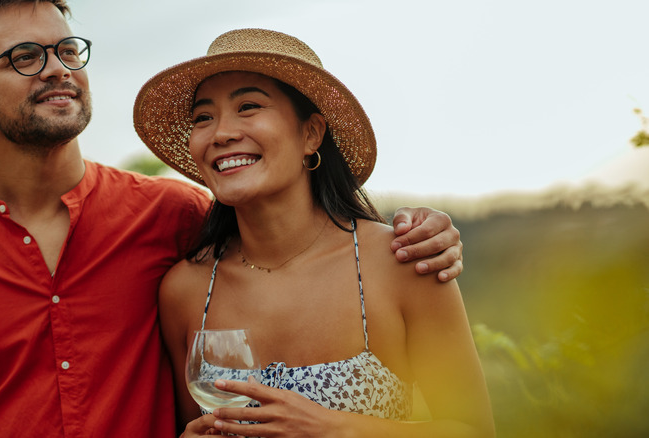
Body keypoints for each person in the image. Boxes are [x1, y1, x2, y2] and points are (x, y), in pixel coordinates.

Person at [0, 2, 464, 437]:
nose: (57, 70)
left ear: (311, 131)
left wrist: (425, 229)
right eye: (24, 57)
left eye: (67, 52)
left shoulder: (170, 216)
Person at [134, 28, 495, 437]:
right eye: (203, 117)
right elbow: (195, 426)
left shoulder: (401, 261)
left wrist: (336, 428)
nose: (221, 133)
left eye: (248, 106)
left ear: (311, 134)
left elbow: (475, 429)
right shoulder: (186, 291)